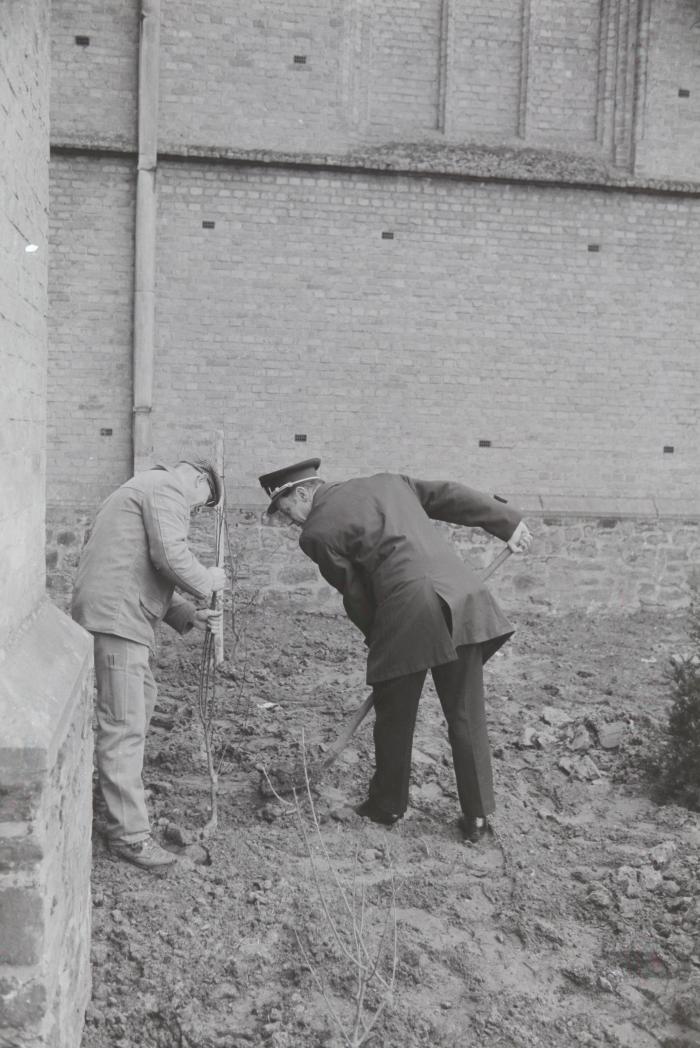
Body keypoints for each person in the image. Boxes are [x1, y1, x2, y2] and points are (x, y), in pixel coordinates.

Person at [258, 458, 532, 841]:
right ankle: (478, 816)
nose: (291, 522)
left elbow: (356, 596)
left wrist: (380, 640)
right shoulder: (389, 481)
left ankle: (387, 805)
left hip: (406, 613)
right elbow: (450, 496)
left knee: (394, 714)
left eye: (287, 512)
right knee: (466, 713)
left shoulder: (316, 533)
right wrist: (506, 521)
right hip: (462, 596)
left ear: (302, 494)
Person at [72, 460, 227, 872]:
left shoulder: (138, 488)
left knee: (140, 701)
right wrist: (210, 579)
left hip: (115, 610)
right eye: (201, 505)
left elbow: (137, 565)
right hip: (118, 617)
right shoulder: (167, 488)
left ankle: (116, 807)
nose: (195, 513)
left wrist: (190, 615)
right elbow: (170, 557)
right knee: (123, 724)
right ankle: (131, 837)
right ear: (197, 480)